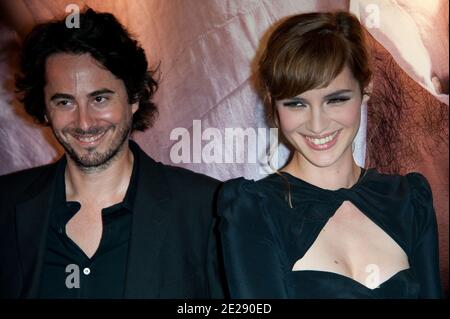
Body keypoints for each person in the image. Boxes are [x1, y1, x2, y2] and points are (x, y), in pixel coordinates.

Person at [0, 8, 226, 298]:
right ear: (44, 110)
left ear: (134, 97)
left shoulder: (206, 209)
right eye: (65, 103)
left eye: (99, 98)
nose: (84, 122)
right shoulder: (6, 205)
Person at [218, 11, 443, 298]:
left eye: (335, 99)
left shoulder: (410, 200)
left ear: (366, 88)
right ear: (274, 104)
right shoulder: (253, 211)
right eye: (296, 104)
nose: (317, 124)